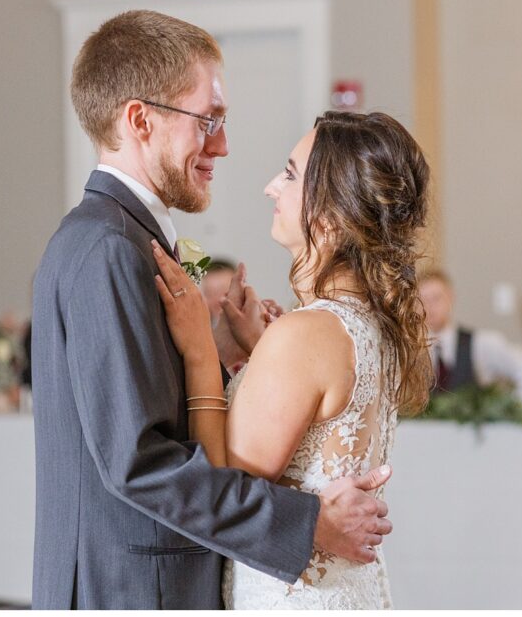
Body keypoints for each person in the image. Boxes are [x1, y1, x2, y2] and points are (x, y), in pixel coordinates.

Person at [30, 10, 393, 610]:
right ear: (140, 120)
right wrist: (308, 526)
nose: (223, 145)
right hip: (130, 591)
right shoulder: (106, 250)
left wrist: (219, 352)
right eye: (209, 120)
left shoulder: (123, 237)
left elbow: (145, 404)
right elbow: (138, 463)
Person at [151, 110, 432, 608]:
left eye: (289, 174)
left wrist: (200, 348)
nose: (270, 188)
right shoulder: (372, 325)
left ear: (330, 215)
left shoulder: (305, 334)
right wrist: (260, 351)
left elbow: (222, 486)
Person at [417, 270, 522, 404]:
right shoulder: (411, 351)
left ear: (451, 298)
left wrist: (511, 410)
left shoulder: (481, 344)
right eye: (423, 300)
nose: (429, 307)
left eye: (436, 298)